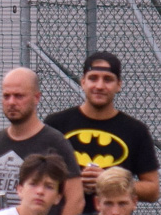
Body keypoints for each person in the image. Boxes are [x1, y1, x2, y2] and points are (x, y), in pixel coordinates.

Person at [44, 51, 160, 206]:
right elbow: (36, 179)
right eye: (93, 78)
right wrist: (72, 183)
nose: (99, 86)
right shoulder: (56, 124)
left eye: (108, 79)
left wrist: (110, 181)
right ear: (83, 82)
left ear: (119, 85)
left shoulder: (135, 130)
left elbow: (153, 190)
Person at [0, 68, 83, 215]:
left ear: (36, 98)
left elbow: (76, 199)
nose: (11, 102)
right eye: (6, 96)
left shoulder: (55, 143)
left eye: (19, 96)